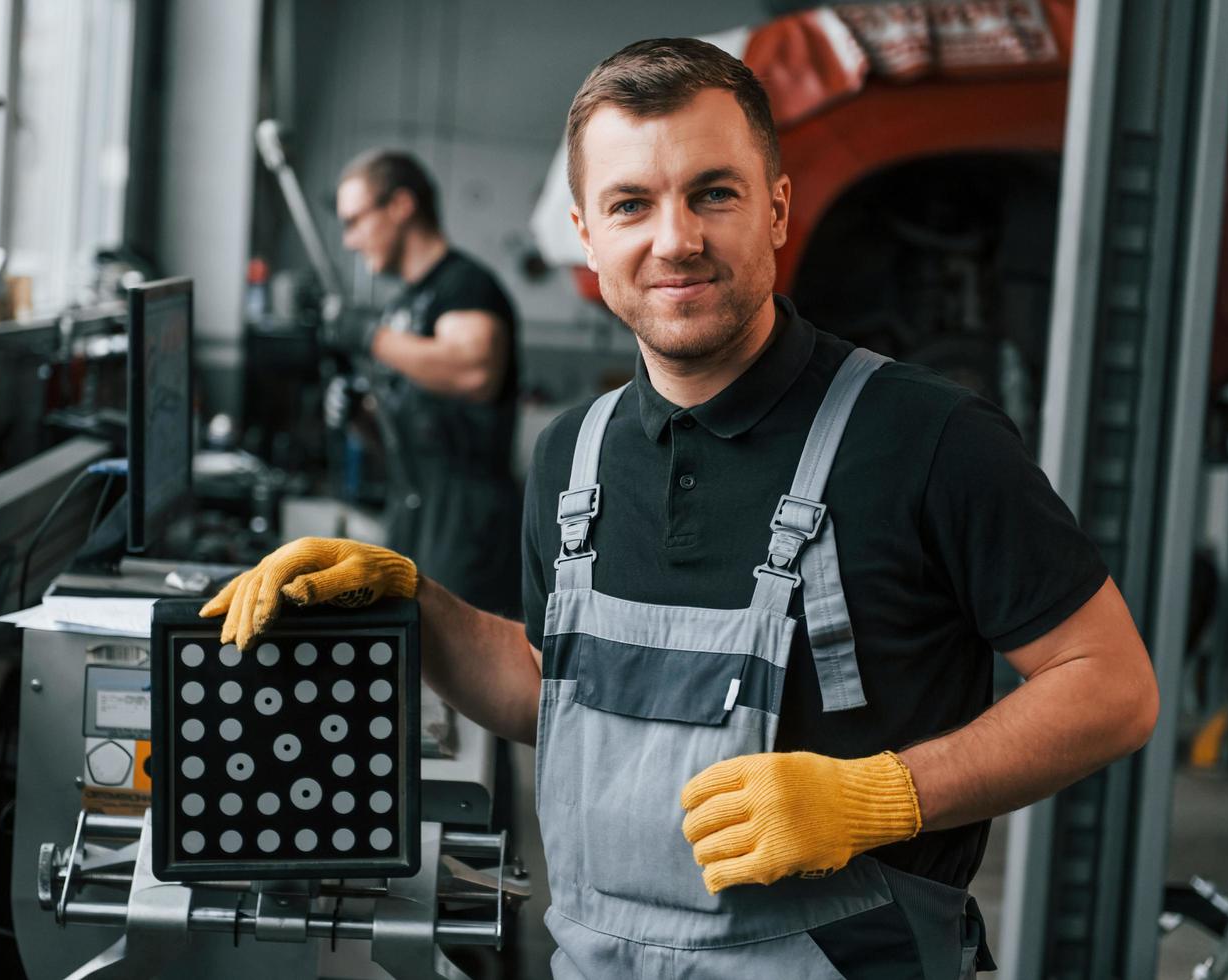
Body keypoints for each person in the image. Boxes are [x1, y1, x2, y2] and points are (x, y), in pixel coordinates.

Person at [204, 38, 1158, 977]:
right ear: (587, 234)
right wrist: (418, 609)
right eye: (631, 204)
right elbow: (558, 693)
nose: (676, 239)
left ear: (776, 208)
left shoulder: (927, 437)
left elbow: (1112, 687)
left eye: (714, 192)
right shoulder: (570, 457)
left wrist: (882, 796)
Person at [329, 149, 521, 617]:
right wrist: (360, 418)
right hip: (411, 519)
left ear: (400, 205)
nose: (350, 240)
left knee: (456, 685)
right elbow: (414, 437)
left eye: (355, 221)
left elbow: (472, 372)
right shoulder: (404, 305)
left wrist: (369, 336)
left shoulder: (464, 287)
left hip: (466, 531)